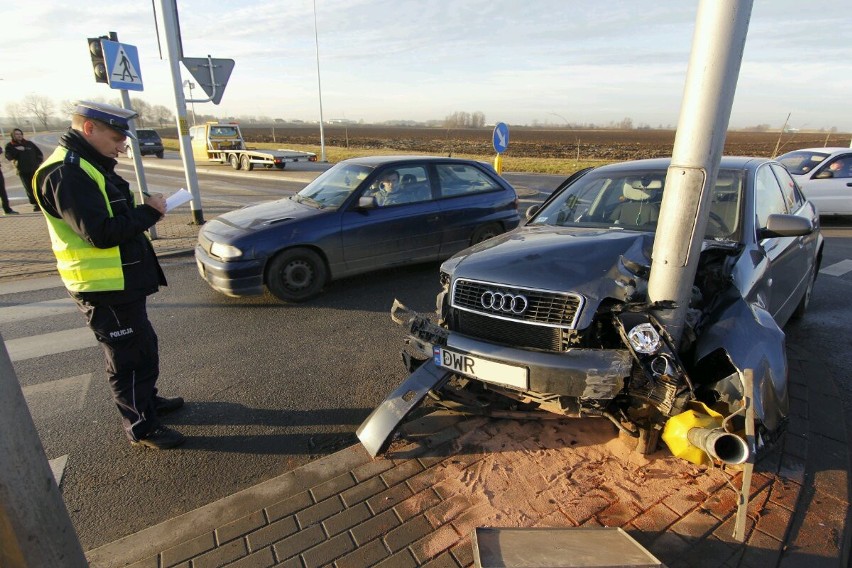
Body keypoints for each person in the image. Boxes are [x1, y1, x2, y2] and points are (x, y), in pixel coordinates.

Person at [32, 101, 186, 450]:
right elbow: (100, 233)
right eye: (117, 138)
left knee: (142, 349)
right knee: (128, 359)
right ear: (89, 129)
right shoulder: (67, 172)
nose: (122, 146)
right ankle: (141, 426)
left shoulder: (89, 164)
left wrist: (144, 207)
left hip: (119, 283)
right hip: (102, 287)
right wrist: (148, 213)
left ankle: (147, 403)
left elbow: (112, 211)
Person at [4, 128, 44, 211]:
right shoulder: (10, 146)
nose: (19, 136)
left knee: (38, 186)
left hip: (34, 169)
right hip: (23, 171)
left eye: (20, 134)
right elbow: (9, 157)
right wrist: (17, 150)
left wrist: (38, 162)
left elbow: (39, 153)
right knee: (29, 189)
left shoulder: (29, 144)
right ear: (13, 136)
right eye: (17, 134)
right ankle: (35, 204)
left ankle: (43, 202)